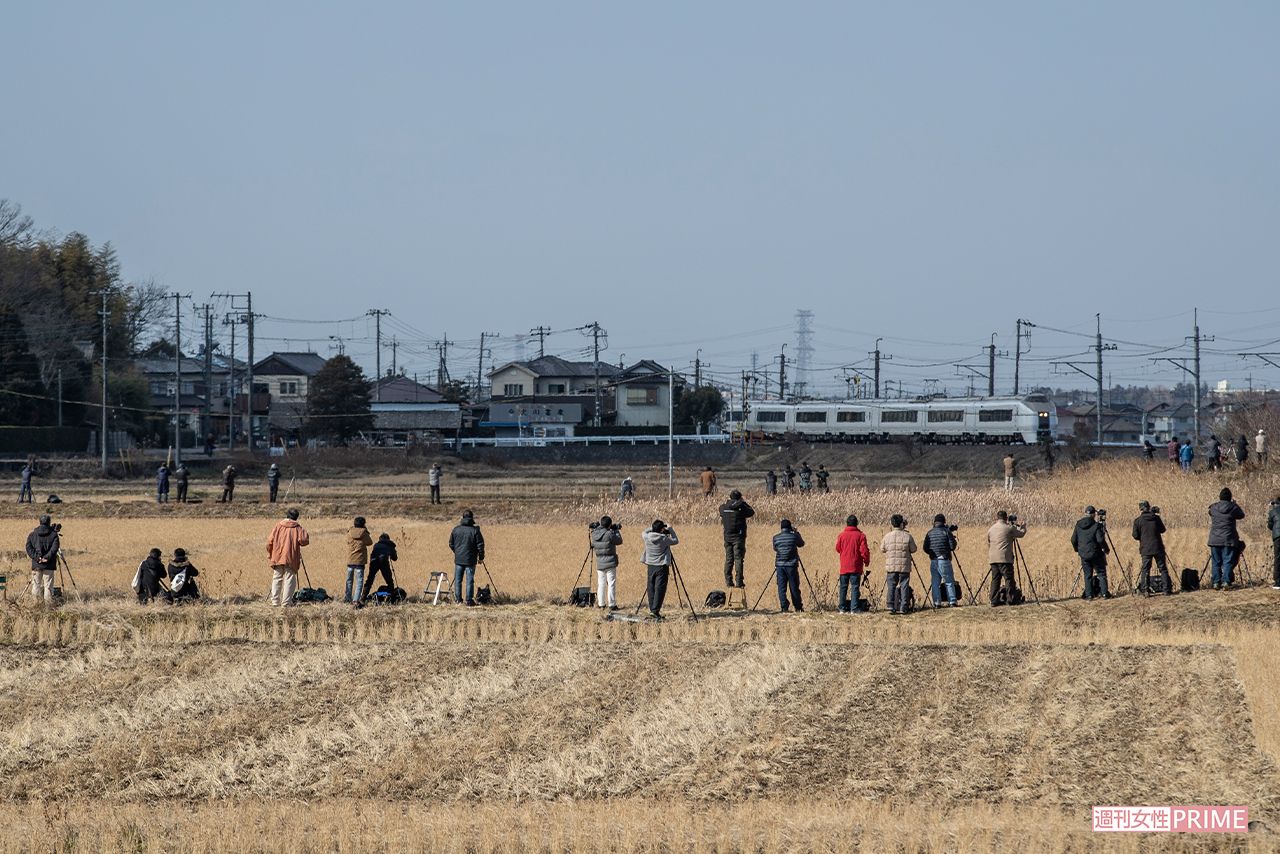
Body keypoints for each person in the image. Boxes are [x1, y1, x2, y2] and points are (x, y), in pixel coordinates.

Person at [266, 508, 309, 606]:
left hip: (277, 556)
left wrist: (270, 553)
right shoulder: (298, 527)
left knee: (277, 578)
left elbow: (269, 542)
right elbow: (304, 540)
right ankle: (286, 603)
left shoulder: (278, 526)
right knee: (289, 579)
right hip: (291, 557)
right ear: (296, 517)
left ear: (287, 515)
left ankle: (275, 601)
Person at [1207, 487, 1245, 590]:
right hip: (1228, 539)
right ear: (1230, 498)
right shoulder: (1233, 507)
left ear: (1220, 497)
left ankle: (1216, 582)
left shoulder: (1214, 507)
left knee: (1216, 562)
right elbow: (1241, 515)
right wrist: (1235, 504)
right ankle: (1226, 582)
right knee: (1228, 560)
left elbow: (1210, 512)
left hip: (1214, 539)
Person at [987, 510, 1026, 606]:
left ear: (997, 517)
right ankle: (1011, 599)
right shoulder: (1008, 528)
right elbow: (1021, 534)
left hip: (993, 558)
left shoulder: (991, 529)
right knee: (1009, 579)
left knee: (995, 580)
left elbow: (988, 542)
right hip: (1005, 559)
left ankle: (994, 600)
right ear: (1006, 518)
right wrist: (1023, 527)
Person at [641, 520, 678, 620]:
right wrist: (670, 529)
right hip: (661, 566)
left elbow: (644, 531)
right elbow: (675, 540)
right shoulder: (664, 539)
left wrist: (652, 528)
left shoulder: (646, 537)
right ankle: (655, 611)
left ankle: (652, 609)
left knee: (651, 587)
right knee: (659, 589)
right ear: (661, 529)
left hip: (650, 565)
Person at [1071, 506, 1111, 600]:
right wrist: (1106, 549)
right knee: (1101, 573)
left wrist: (1077, 549)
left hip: (1084, 554)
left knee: (1087, 575)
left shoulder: (1078, 524)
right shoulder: (1096, 525)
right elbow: (1100, 540)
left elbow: (1073, 539)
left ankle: (1089, 595)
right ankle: (1105, 594)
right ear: (1093, 514)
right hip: (1096, 553)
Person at [1132, 502, 1171, 596]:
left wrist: (1143, 537)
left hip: (1145, 549)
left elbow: (1135, 535)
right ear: (1149, 508)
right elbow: (1163, 530)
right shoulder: (1156, 518)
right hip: (1158, 547)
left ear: (1140, 509)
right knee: (1163, 568)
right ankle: (1166, 590)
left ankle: (1145, 591)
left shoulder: (1137, 521)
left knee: (1145, 569)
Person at [718, 489, 755, 589]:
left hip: (727, 537)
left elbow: (721, 510)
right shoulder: (742, 507)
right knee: (738, 559)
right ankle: (739, 582)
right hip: (738, 537)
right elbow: (751, 512)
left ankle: (728, 581)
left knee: (729, 559)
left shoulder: (723, 507)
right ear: (739, 498)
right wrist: (743, 502)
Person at [881, 514, 917, 615]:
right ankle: (904, 606)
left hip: (891, 566)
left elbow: (882, 549)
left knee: (891, 585)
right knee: (904, 585)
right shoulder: (907, 536)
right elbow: (914, 549)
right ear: (901, 524)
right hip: (904, 566)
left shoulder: (887, 536)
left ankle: (890, 605)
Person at [835, 515, 870, 613]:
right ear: (856, 523)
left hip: (844, 566)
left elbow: (838, 548)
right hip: (856, 566)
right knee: (855, 587)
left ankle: (842, 608)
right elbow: (864, 551)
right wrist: (866, 561)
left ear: (847, 523)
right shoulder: (861, 536)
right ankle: (854, 608)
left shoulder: (841, 535)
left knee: (843, 587)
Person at [449, 510, 485, 606]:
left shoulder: (456, 529)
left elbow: (451, 544)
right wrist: (481, 557)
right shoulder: (475, 530)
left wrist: (457, 552)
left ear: (463, 518)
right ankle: (469, 601)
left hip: (459, 559)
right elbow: (480, 545)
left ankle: (458, 600)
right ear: (472, 518)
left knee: (458, 580)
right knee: (469, 580)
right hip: (470, 560)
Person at [923, 514, 959, 607]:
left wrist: (932, 553)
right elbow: (952, 546)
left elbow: (925, 548)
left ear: (934, 522)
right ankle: (952, 601)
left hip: (934, 560)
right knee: (949, 581)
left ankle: (937, 602)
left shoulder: (929, 533)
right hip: (944, 560)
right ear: (944, 522)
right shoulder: (946, 532)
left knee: (935, 582)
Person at [771, 519, 805, 612]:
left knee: (781, 587)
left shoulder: (775, 538)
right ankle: (798, 607)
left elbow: (775, 548)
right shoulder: (794, 536)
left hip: (780, 565)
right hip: (792, 565)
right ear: (790, 527)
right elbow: (801, 544)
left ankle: (784, 607)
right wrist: (796, 532)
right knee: (794, 587)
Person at [25, 514, 60, 604]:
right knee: (48, 586)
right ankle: (48, 607)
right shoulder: (54, 535)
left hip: (37, 565)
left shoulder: (32, 535)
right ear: (49, 522)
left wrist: (37, 558)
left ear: (40, 522)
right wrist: (46, 558)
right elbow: (54, 549)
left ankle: (35, 605)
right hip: (49, 564)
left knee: (36, 585)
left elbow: (29, 548)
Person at [591, 515, 623, 612]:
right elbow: (619, 541)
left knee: (601, 583)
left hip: (600, 562)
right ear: (609, 524)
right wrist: (616, 530)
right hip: (610, 562)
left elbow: (592, 545)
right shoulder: (609, 534)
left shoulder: (594, 533)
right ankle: (612, 604)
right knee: (611, 583)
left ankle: (601, 604)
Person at [361, 533, 399, 602]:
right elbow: (395, 558)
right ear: (388, 539)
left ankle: (362, 599)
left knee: (369, 580)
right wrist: (392, 550)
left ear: (380, 539)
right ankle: (391, 599)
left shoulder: (376, 545)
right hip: (383, 561)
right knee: (389, 581)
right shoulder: (390, 545)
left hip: (373, 561)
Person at [344, 516, 373, 603]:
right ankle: (356, 600)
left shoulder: (349, 532)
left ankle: (347, 598)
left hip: (350, 560)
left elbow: (346, 541)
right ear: (363, 524)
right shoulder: (364, 533)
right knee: (359, 582)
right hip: (359, 562)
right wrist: (366, 531)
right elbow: (370, 542)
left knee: (349, 581)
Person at [1267, 497, 1280, 590]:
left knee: (1278, 558)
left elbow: (1270, 525)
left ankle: (1278, 582)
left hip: (1278, 537)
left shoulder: (1273, 512)